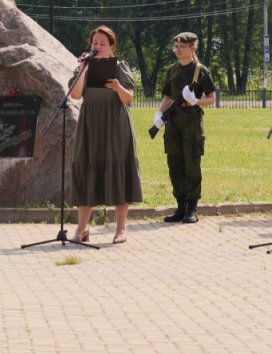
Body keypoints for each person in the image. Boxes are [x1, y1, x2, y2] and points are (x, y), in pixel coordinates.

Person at [68, 25, 142, 244]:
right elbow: (75, 94)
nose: (97, 46)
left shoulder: (119, 66)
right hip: (90, 125)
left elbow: (128, 98)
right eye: (94, 43)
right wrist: (83, 69)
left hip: (115, 125)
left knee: (118, 169)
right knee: (87, 168)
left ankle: (121, 229)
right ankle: (82, 229)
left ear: (111, 47)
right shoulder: (84, 67)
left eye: (102, 43)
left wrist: (118, 87)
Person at [153, 32, 217, 224]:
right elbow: (168, 97)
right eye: (176, 46)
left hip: (191, 123)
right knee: (175, 163)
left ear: (192, 48)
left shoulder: (200, 71)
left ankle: (192, 208)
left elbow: (212, 98)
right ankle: (180, 206)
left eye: (182, 46)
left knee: (191, 164)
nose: (178, 50)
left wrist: (196, 101)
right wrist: (159, 114)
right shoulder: (171, 70)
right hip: (173, 124)